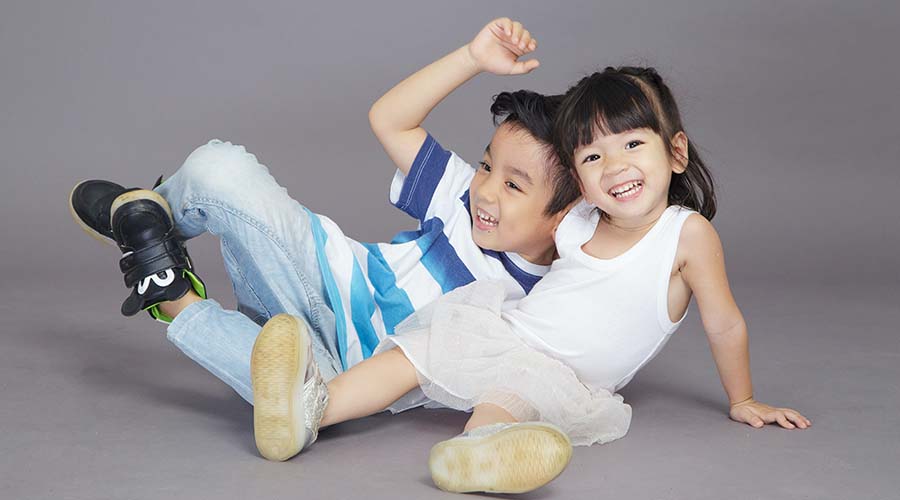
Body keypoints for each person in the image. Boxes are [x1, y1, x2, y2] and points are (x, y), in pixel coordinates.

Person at [247, 55, 812, 496]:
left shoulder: (685, 236)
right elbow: (523, 214)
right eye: (592, 158)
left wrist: (744, 398)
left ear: (677, 153)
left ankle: (476, 455)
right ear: (577, 183)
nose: (615, 167)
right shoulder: (577, 220)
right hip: (507, 331)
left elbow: (724, 324)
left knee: (507, 401)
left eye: (633, 145)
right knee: (408, 358)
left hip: (567, 375)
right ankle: (309, 410)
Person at [68, 16, 578, 436]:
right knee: (217, 165)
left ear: (564, 216)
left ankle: (167, 289)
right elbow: (390, 119)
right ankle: (148, 218)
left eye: (515, 186)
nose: (487, 190)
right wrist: (472, 58)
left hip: (342, 375)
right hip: (313, 276)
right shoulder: (462, 198)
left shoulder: (549, 295)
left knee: (290, 394)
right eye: (488, 165)